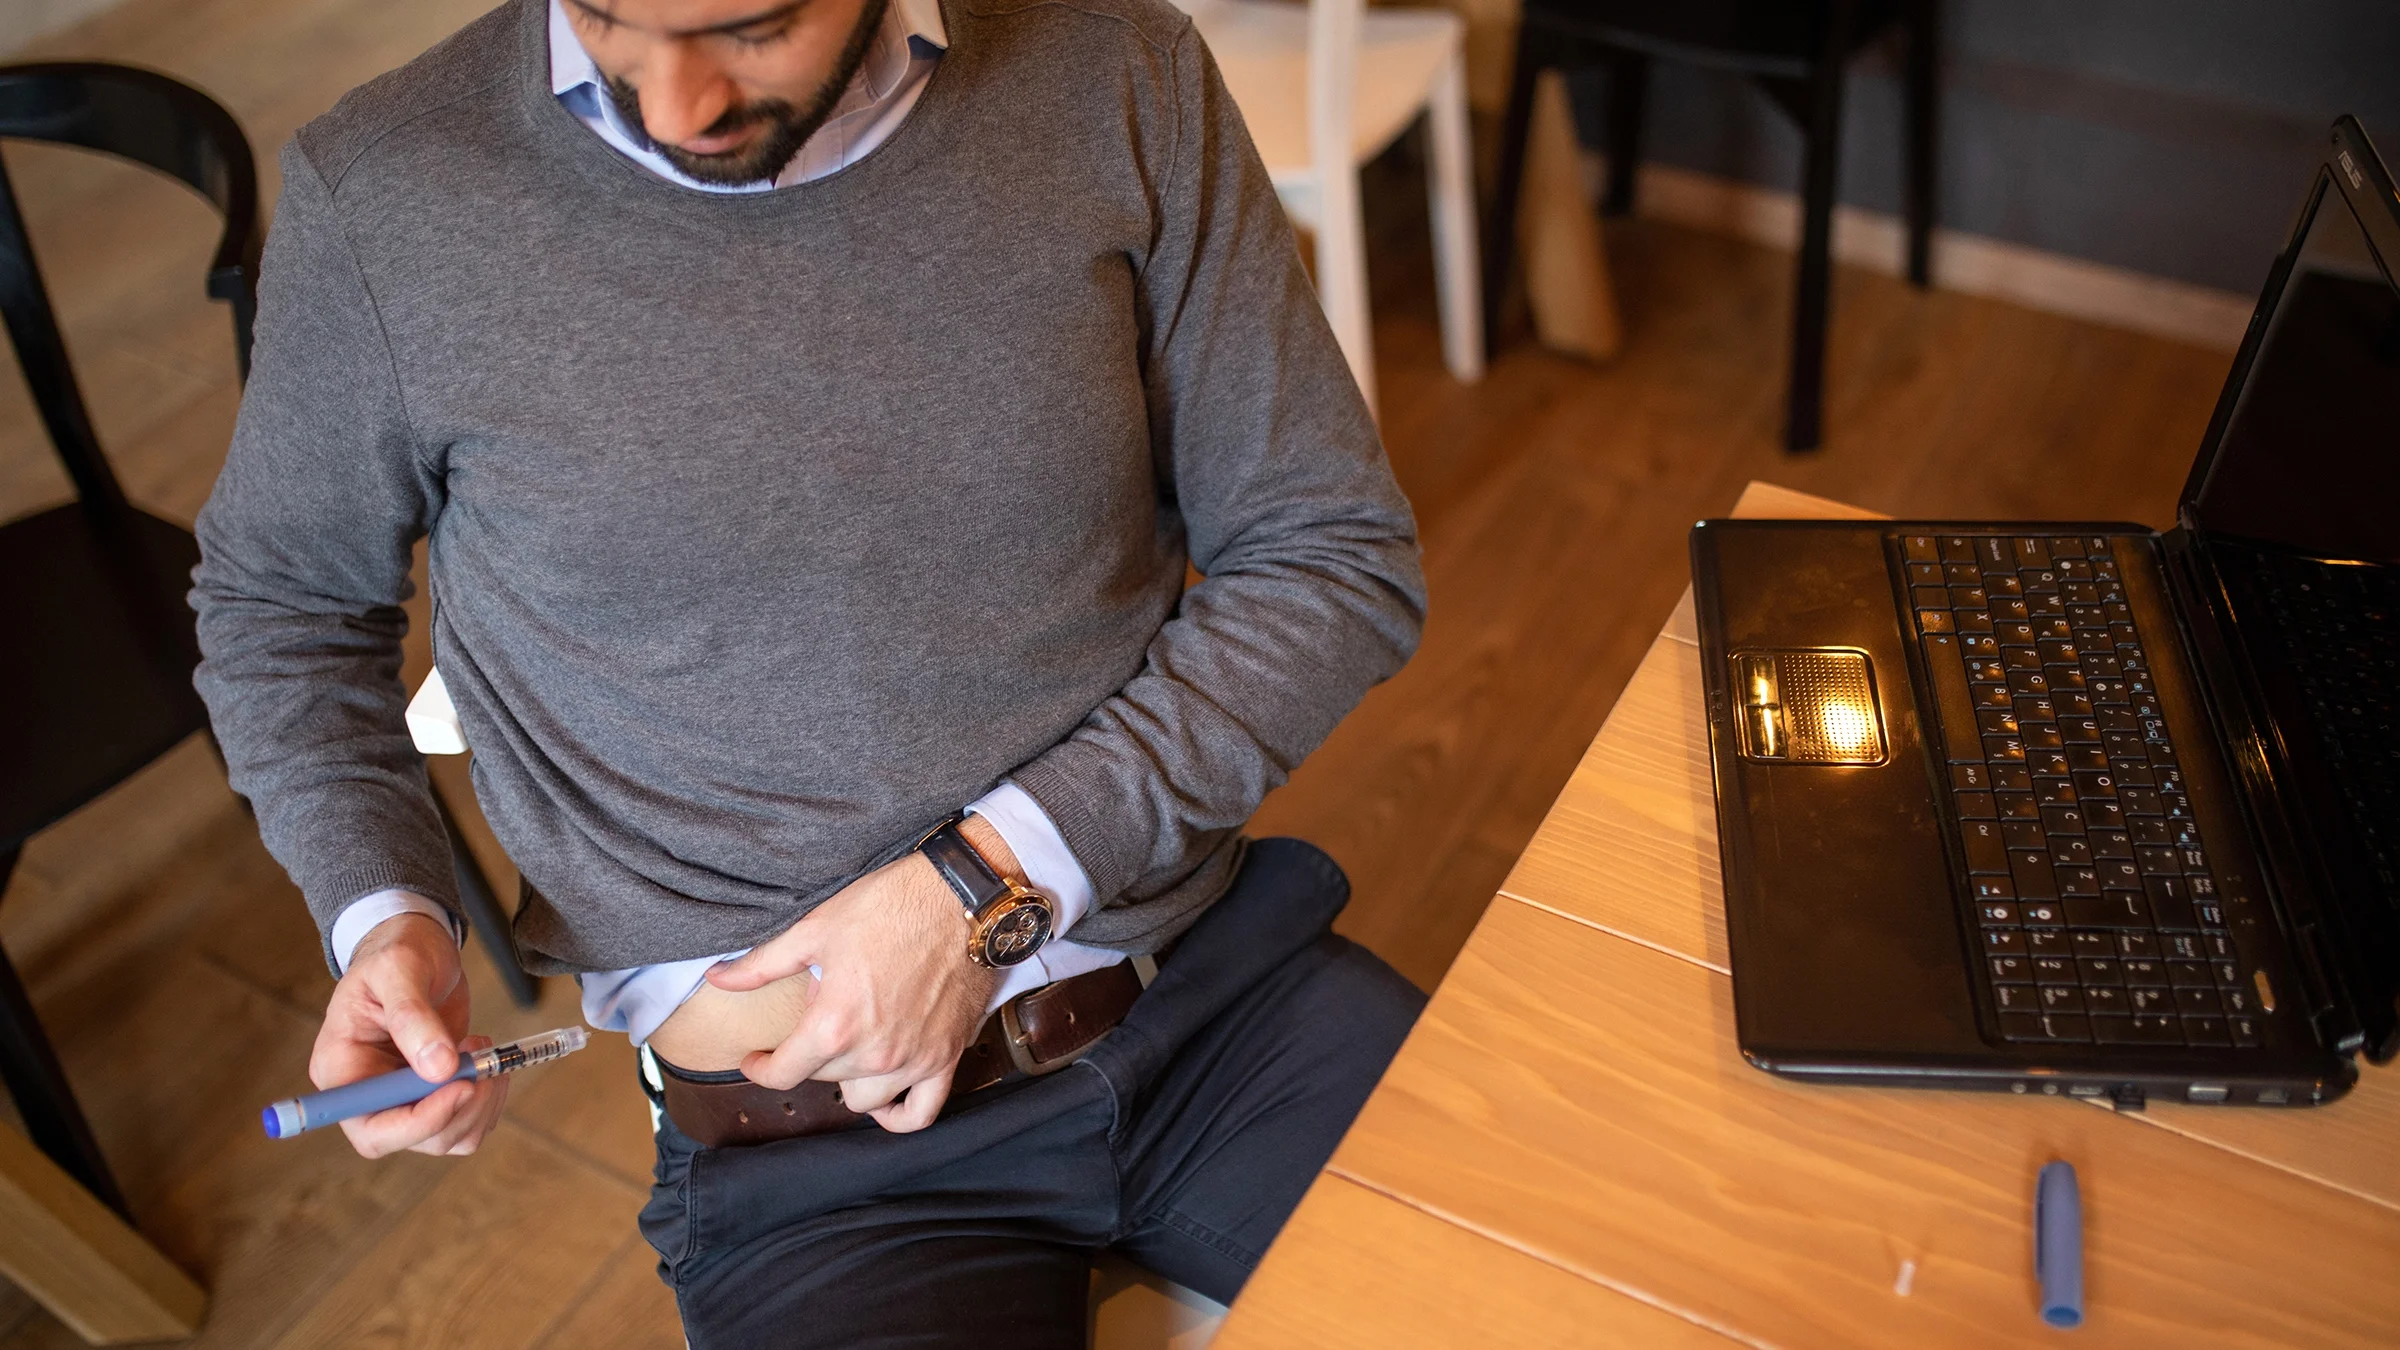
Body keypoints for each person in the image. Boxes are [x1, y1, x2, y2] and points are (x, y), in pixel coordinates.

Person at [190, 0, 1427, 1341]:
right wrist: (387, 912)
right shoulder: (384, 193)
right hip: (815, 1174)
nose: (669, 107)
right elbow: (283, 604)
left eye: (753, 25)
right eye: (601, 16)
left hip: (1215, 1002)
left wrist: (985, 886)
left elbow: (1331, 552)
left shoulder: (1115, 68)